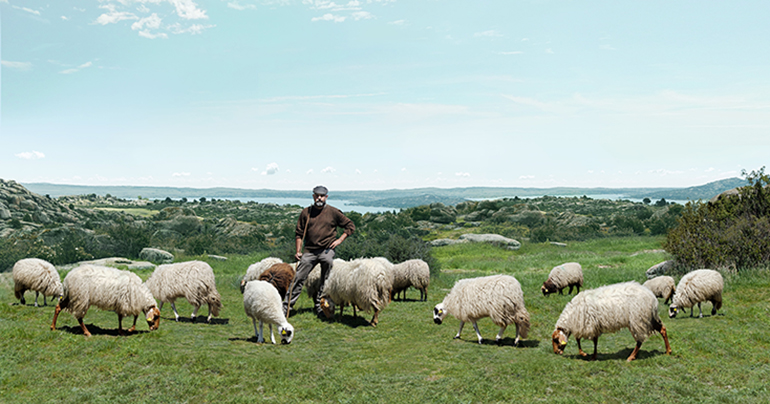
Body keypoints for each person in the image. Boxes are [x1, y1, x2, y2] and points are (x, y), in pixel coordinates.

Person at [284, 185, 355, 317]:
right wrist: (298, 251)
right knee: (298, 277)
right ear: (313, 196)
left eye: (322, 196)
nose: (319, 198)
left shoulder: (334, 212)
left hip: (326, 250)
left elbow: (350, 226)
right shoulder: (306, 212)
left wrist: (339, 240)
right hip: (309, 251)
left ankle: (320, 306)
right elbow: (299, 233)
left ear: (326, 197)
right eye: (317, 195)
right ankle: (286, 307)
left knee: (326, 276)